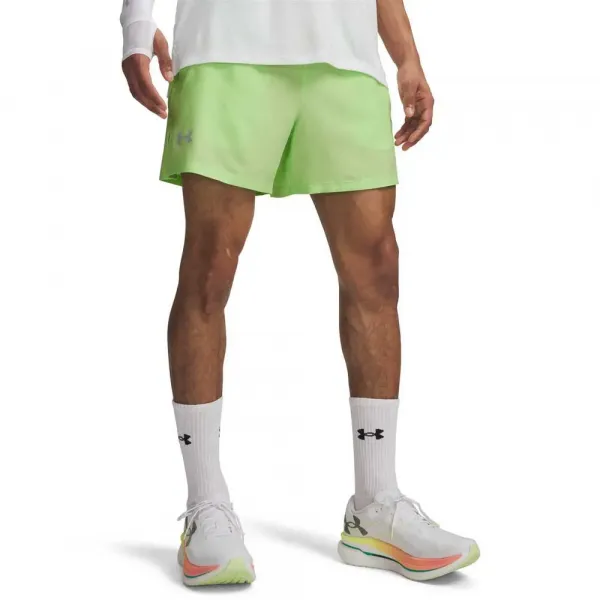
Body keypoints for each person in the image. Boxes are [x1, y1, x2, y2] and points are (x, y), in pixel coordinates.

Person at [120, 0, 479, 587]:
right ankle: (206, 504)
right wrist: (136, 24)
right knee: (209, 267)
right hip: (226, 46)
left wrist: (407, 56)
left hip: (345, 54)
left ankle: (375, 504)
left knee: (376, 267)